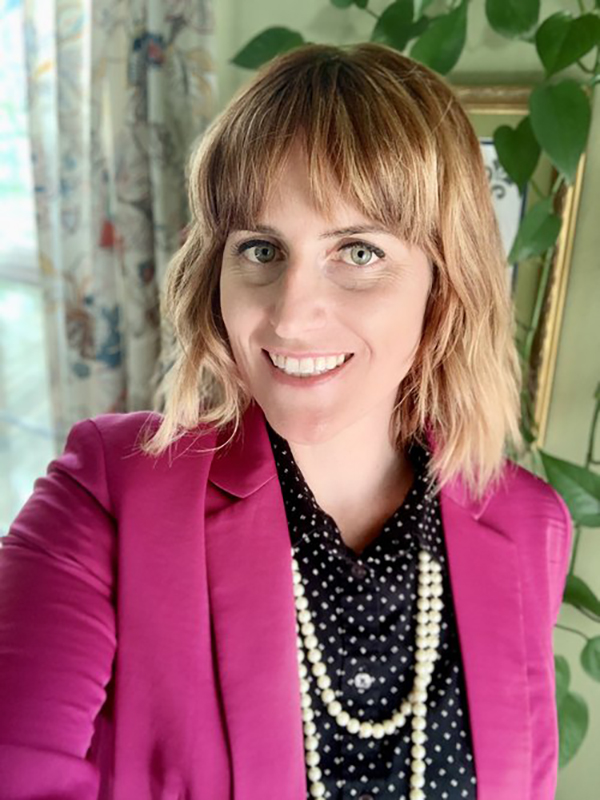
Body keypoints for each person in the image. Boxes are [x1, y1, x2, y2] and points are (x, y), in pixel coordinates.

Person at [0, 42, 572, 800]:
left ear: (444, 283)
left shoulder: (529, 525)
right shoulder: (110, 493)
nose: (291, 315)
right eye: (262, 248)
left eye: (358, 252)